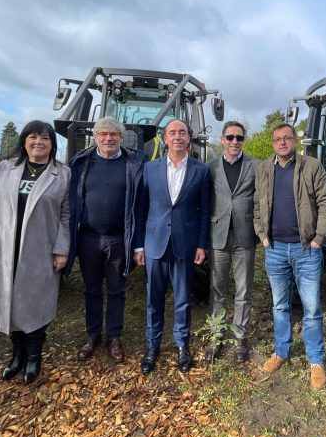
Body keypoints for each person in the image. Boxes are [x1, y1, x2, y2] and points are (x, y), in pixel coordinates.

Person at [0, 121, 70, 384]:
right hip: (6, 246)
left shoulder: (62, 174)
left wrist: (62, 249)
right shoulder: (5, 170)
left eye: (45, 138)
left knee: (35, 304)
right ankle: (16, 355)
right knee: (10, 303)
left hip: (41, 248)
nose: (39, 142)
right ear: (24, 141)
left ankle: (34, 357)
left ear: (53, 144)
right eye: (33, 137)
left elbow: (66, 215)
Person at [253, 123, 326, 389]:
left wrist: (319, 238)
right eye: (278, 139)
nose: (282, 142)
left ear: (295, 141)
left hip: (305, 249)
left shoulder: (311, 166)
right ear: (272, 143)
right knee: (280, 305)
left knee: (311, 308)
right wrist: (261, 234)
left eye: (287, 138)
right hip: (274, 248)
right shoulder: (264, 169)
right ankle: (282, 352)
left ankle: (316, 360)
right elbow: (257, 204)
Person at [66, 117, 146, 364]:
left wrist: (138, 243)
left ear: (121, 138)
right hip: (88, 237)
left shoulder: (134, 164)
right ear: (95, 137)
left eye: (113, 134)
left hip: (118, 238)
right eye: (102, 134)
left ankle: (114, 336)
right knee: (90, 289)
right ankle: (92, 335)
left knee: (116, 290)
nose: (108, 138)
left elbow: (141, 205)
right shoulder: (81, 162)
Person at [137, 119, 211, 374]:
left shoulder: (200, 171)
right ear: (164, 138)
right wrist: (139, 246)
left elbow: (204, 212)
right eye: (172, 133)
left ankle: (182, 345)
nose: (177, 137)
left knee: (182, 299)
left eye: (182, 132)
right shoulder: (150, 169)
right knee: (153, 299)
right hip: (155, 243)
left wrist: (202, 243)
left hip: (185, 244)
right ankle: (152, 346)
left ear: (188, 138)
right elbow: (141, 209)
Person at [205, 121, 259, 364]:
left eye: (239, 138)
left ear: (243, 140)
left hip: (245, 236)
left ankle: (240, 337)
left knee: (243, 290)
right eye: (230, 137)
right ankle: (216, 334)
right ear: (222, 140)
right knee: (217, 289)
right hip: (218, 235)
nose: (234, 142)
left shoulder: (256, 166)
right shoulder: (210, 168)